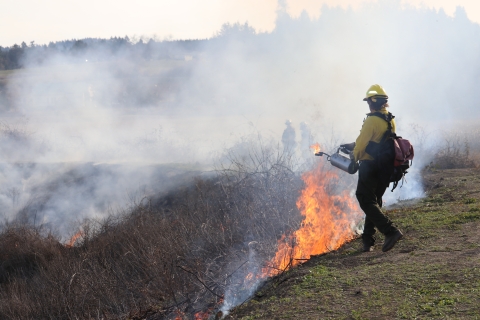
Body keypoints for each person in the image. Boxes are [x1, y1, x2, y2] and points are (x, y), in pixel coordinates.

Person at [346, 84, 403, 252]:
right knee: (374, 201)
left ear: (373, 102)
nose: (368, 105)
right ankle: (367, 242)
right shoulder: (389, 119)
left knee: (364, 198)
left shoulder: (371, 120)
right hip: (385, 168)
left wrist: (354, 157)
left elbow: (362, 143)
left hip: (370, 166)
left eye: (369, 102)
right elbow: (378, 140)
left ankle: (390, 231)